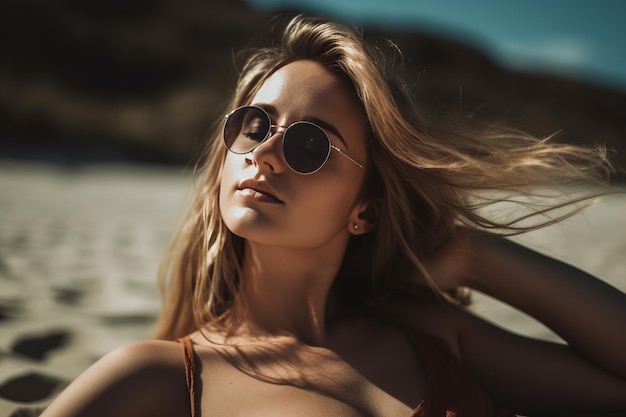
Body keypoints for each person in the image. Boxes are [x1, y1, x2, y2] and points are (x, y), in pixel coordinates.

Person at [41, 14, 626, 417]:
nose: (266, 154)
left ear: (364, 211)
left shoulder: (432, 336)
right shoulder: (155, 376)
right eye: (255, 127)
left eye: (309, 146)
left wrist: (474, 256)